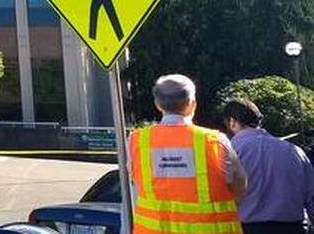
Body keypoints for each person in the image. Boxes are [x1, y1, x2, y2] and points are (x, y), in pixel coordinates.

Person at [129, 74, 248, 234]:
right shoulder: (214, 141)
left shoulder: (136, 141)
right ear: (192, 104)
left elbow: (134, 187)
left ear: (158, 105)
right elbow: (240, 185)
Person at [223, 98, 314, 234]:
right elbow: (311, 197)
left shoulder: (229, 152)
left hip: (247, 227)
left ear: (232, 122)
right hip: (293, 228)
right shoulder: (294, 151)